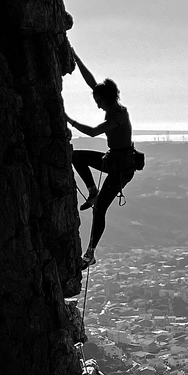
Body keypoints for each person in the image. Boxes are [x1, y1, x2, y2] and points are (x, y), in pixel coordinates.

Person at [67, 51, 140, 268]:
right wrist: (75, 58)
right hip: (114, 160)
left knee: (100, 209)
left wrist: (68, 119)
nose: (97, 105)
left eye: (99, 102)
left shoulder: (117, 116)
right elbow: (92, 83)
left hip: (122, 169)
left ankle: (90, 253)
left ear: (106, 100)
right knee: (76, 156)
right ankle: (92, 190)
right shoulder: (111, 104)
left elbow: (92, 132)